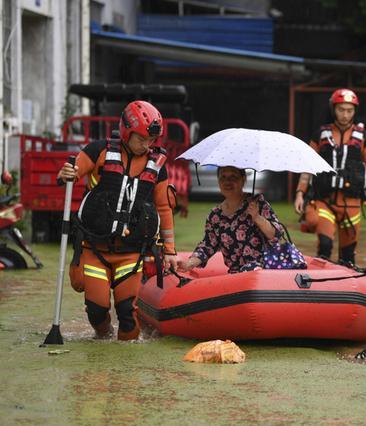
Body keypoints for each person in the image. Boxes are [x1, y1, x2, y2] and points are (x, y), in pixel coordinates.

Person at [57, 100, 179, 340]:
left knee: (127, 313)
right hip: (94, 248)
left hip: (131, 252)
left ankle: (127, 369)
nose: (146, 145)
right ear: (126, 131)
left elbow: (164, 209)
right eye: (141, 139)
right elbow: (73, 172)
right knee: (97, 309)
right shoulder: (98, 151)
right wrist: (66, 173)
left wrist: (171, 251)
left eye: (151, 141)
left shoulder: (157, 167)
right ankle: (102, 335)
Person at [294, 88, 366, 265]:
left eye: (349, 110)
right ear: (333, 109)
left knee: (348, 256)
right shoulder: (320, 134)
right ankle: (320, 285)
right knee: (325, 246)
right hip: (324, 200)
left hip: (352, 203)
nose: (345, 114)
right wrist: (300, 193)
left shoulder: (365, 137)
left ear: (355, 111)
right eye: (341, 109)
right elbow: (307, 167)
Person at [177, 166, 285, 274]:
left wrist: (257, 217)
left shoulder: (257, 203)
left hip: (264, 271)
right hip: (235, 276)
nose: (227, 181)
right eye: (223, 177)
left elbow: (276, 235)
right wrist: (188, 264)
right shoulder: (215, 215)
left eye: (233, 177)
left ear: (243, 179)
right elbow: (207, 246)